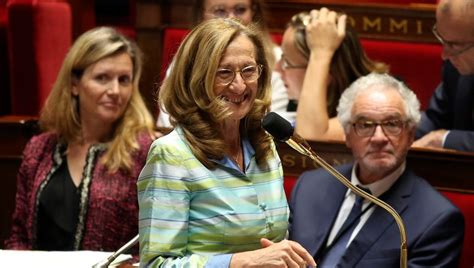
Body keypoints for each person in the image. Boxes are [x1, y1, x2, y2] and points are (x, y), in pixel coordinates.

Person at [138, 18, 316, 267]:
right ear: (197, 78)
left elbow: (274, 244)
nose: (239, 85)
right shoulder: (172, 154)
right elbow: (156, 264)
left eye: (248, 70)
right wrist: (239, 262)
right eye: (224, 73)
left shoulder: (264, 145)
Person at [289, 73, 464, 267]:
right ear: (347, 135)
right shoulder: (310, 186)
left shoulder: (436, 220)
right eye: (365, 125)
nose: (379, 138)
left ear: (411, 134)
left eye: (391, 124)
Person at [4, 27, 155, 251]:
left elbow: (153, 244)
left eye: (124, 80)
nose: (115, 90)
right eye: (102, 78)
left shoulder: (143, 151)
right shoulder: (40, 149)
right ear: (75, 84)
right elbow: (19, 236)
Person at [156, 0, 292, 128]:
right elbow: (170, 122)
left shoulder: (278, 60)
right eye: (220, 11)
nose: (231, 18)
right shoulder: (187, 60)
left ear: (254, 11)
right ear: (201, 14)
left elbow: (274, 127)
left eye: (240, 10)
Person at [276, 8, 388, 141]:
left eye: (287, 62)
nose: (278, 69)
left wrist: (321, 53)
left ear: (327, 71)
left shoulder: (374, 106)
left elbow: (310, 141)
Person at [414, 0, 474, 152]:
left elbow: (437, 136)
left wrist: (443, 139)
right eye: (442, 40)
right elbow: (436, 118)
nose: (444, 55)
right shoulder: (455, 66)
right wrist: (388, 126)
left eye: (454, 45)